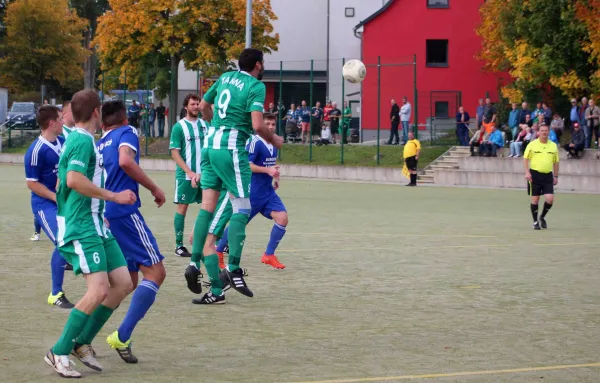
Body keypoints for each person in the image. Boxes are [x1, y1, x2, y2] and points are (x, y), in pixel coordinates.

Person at [44, 89, 136, 378]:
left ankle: (81, 342)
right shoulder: (82, 141)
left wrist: (98, 210)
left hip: (95, 223)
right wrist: (113, 197)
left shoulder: (81, 140)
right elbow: (72, 179)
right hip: (81, 227)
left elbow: (64, 178)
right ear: (96, 112)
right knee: (98, 290)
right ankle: (58, 351)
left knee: (122, 283)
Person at [186, 48, 283, 300]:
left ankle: (195, 264)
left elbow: (204, 106)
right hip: (231, 148)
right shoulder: (255, 86)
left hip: (210, 144)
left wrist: (215, 123)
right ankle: (233, 268)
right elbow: (257, 125)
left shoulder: (225, 77)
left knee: (207, 207)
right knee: (241, 207)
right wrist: (276, 139)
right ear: (259, 65)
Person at [97, 100, 167, 363]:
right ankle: (122, 336)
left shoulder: (99, 142)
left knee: (128, 282)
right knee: (156, 272)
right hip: (124, 213)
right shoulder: (127, 133)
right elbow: (126, 161)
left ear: (102, 123)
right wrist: (154, 188)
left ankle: (81, 336)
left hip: (107, 213)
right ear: (125, 119)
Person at [216, 113, 288, 270]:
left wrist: (274, 176)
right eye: (267, 124)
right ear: (261, 125)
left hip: (267, 193)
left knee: (282, 218)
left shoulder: (273, 143)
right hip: (253, 193)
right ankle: (218, 251)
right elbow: (247, 165)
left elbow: (271, 165)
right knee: (238, 225)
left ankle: (268, 255)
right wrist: (267, 170)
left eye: (273, 125)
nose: (270, 127)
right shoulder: (255, 142)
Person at [24, 105, 74, 308]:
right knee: (62, 242)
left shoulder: (62, 141)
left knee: (70, 240)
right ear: (51, 123)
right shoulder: (35, 151)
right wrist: (55, 197)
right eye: (60, 119)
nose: (64, 122)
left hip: (63, 201)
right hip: (44, 204)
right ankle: (55, 293)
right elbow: (32, 183)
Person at [169, 94, 205, 258]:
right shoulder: (179, 127)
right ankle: (179, 245)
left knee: (210, 206)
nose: (196, 106)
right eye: (193, 104)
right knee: (183, 207)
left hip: (205, 175)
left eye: (198, 104)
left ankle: (204, 240)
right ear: (186, 107)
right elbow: (175, 153)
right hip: (186, 176)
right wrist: (189, 173)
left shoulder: (205, 125)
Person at [524, 124, 559, 230]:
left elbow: (556, 162)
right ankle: (535, 222)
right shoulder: (532, 144)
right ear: (538, 132)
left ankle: (542, 217)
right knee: (535, 199)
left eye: (546, 130)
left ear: (549, 132)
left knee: (550, 199)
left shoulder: (553, 145)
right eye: (542, 130)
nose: (544, 132)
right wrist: (527, 172)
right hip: (534, 175)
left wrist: (556, 175)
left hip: (548, 175)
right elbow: (525, 159)